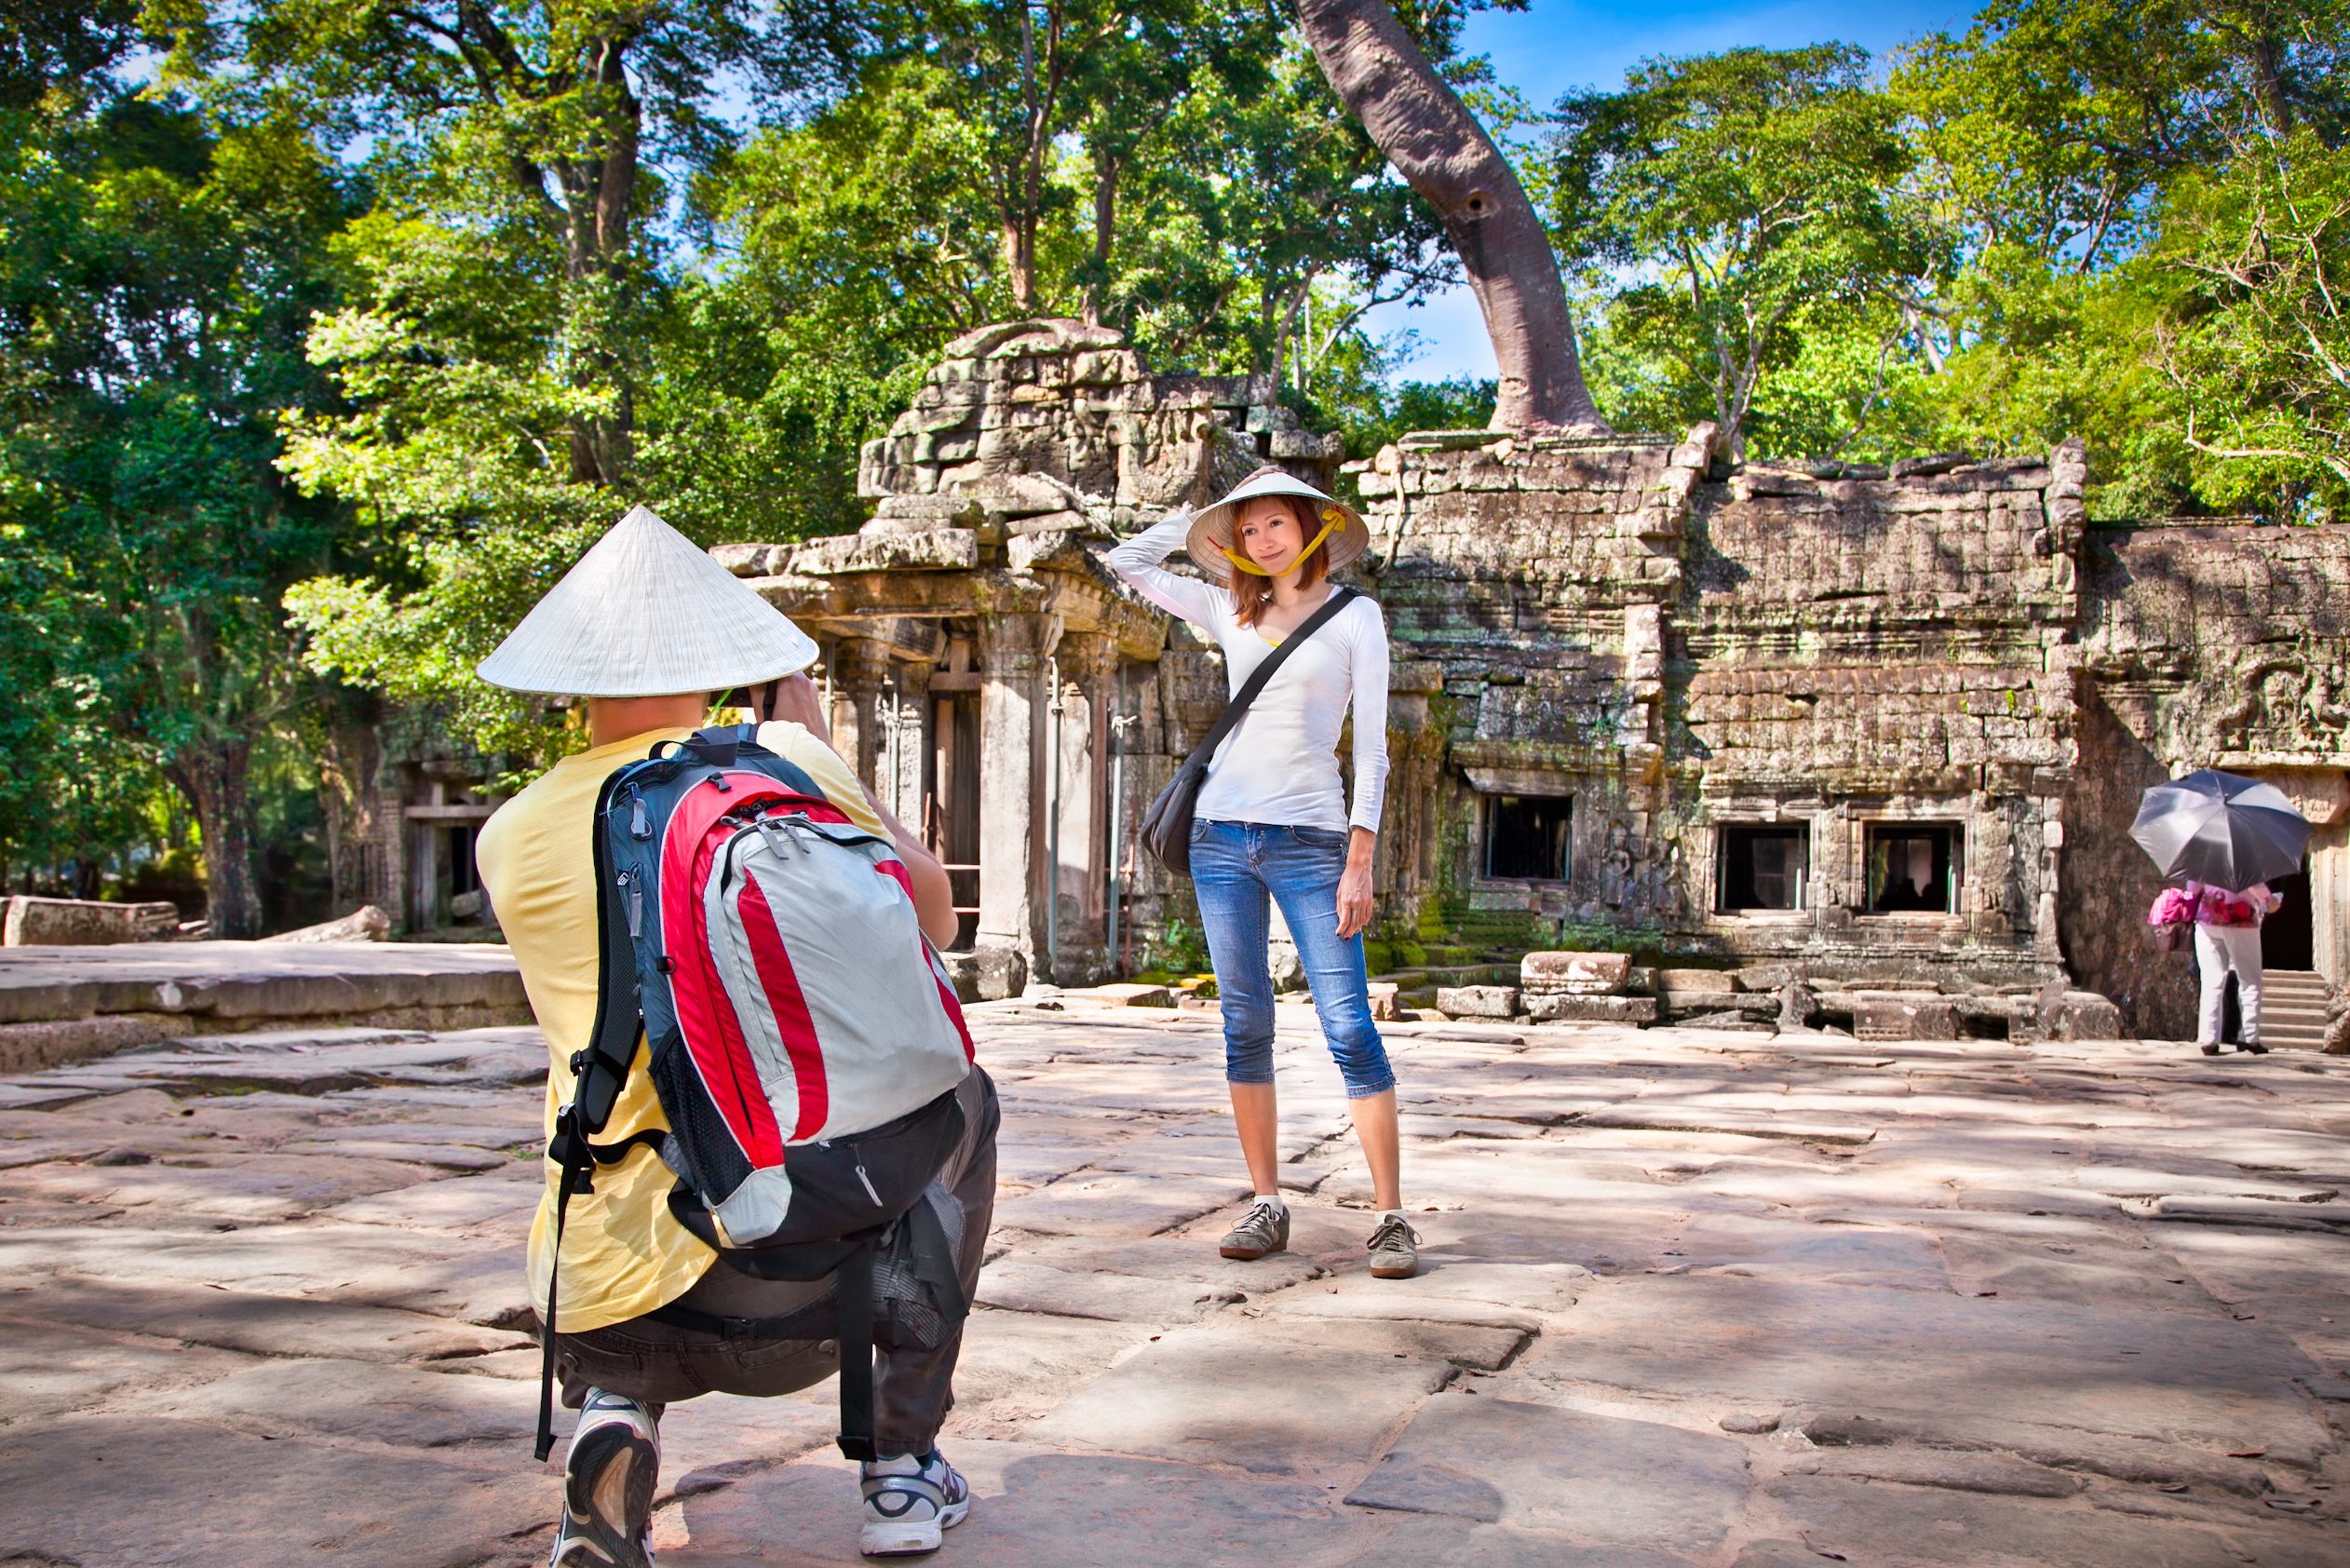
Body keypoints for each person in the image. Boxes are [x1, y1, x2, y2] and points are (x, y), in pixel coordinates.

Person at [473, 507, 997, 1564]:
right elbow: (936, 918)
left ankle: (615, 1414)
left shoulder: (510, 833)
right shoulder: (780, 756)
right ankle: (898, 1466)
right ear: (724, 655)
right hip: (799, 1276)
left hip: (605, 1296)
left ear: (571, 674)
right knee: (964, 1101)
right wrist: (819, 754)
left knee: (617, 1129)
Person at [1105, 466, 1415, 1279]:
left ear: (1312, 529)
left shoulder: (1357, 617)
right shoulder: (1227, 608)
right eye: (1245, 531)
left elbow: (1375, 749)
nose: (1260, 540)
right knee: (1245, 1023)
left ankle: (1388, 1216)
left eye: (1274, 524)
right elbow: (1125, 563)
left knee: (1348, 1027)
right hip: (1219, 836)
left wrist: (1361, 858)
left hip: (1313, 839)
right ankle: (1266, 1199)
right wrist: (1192, 524)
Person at [2188, 879, 2282, 1056]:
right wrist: (2270, 900)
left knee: (2211, 980)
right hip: (2241, 922)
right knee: (2249, 980)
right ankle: (2248, 1037)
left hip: (2208, 921)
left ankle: (2208, 1038)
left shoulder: (2205, 858)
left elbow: (2192, 889)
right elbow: (2256, 888)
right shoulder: (2244, 857)